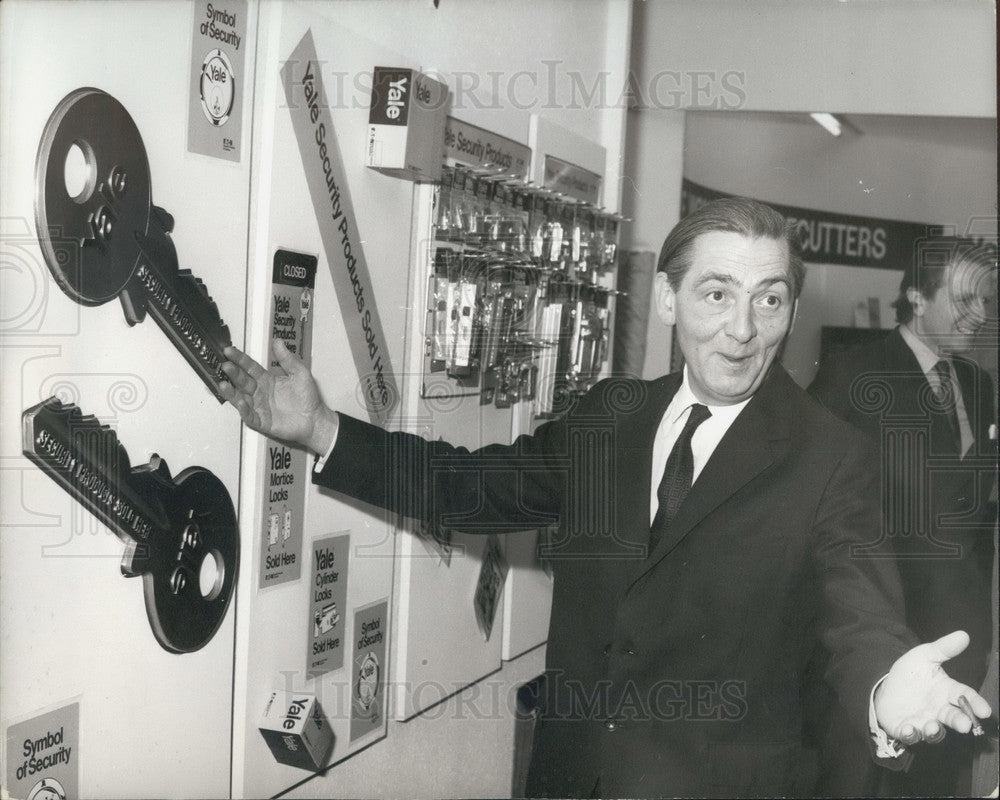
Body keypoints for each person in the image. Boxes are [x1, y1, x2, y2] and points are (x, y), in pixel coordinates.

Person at [220, 197, 992, 799]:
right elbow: (469, 486)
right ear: (667, 299)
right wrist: (323, 429)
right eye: (717, 294)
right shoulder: (612, 415)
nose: (742, 331)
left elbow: (860, 620)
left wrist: (888, 694)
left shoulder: (832, 458)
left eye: (770, 300)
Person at [808, 236, 997, 797]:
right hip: (881, 644)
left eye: (987, 301)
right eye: (966, 300)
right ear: (916, 294)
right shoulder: (852, 376)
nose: (982, 316)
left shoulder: (978, 385)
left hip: (962, 644)